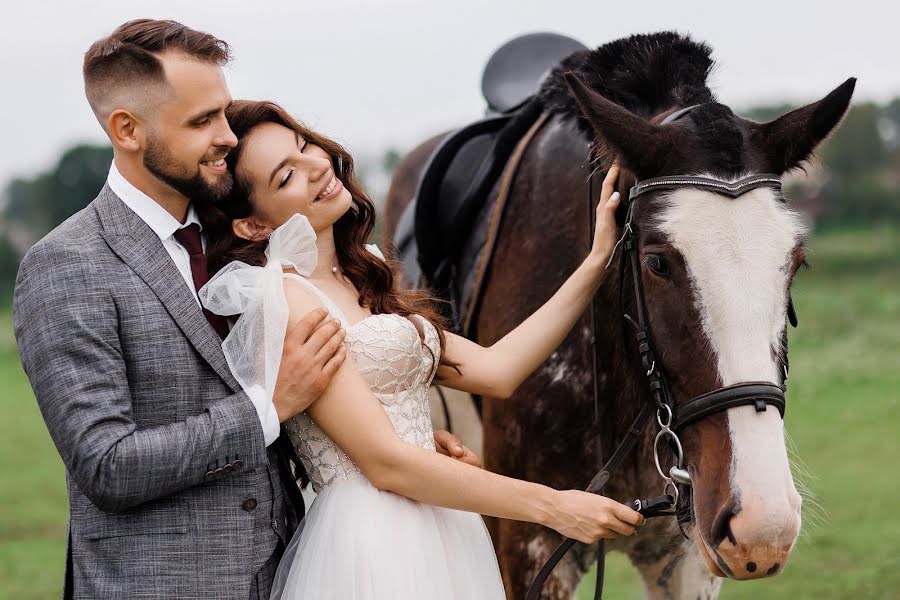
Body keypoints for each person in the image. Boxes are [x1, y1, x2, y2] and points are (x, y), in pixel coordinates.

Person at [13, 19, 476, 599]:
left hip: (292, 575)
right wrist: (269, 407)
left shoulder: (245, 244)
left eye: (223, 113)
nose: (228, 136)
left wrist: (393, 440)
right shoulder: (67, 264)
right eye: (202, 120)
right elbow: (108, 464)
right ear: (127, 130)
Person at [198, 100, 644, 599]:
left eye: (306, 148)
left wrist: (597, 260)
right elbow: (386, 462)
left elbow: (498, 369)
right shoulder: (291, 299)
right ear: (252, 226)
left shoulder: (360, 273)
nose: (318, 165)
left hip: (440, 520)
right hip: (374, 541)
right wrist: (553, 506)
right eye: (286, 177)